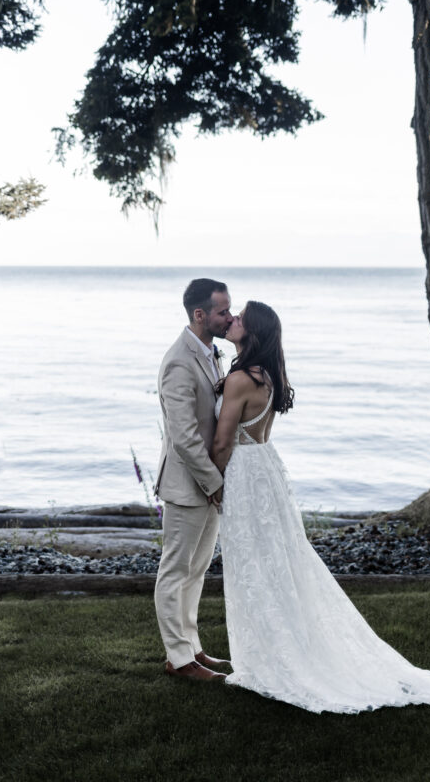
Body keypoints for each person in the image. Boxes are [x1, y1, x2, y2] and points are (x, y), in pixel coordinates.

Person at [211, 300, 430, 714]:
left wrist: (214, 483)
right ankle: (276, 649)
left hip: (243, 472)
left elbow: (223, 441)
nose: (233, 319)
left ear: (252, 332)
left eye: (240, 317)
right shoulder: (268, 374)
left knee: (254, 563)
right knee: (276, 561)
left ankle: (273, 659)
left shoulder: (241, 377)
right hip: (266, 468)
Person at [154, 278, 234, 682]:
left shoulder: (211, 353)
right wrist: (215, 483)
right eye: (222, 310)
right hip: (189, 486)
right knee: (175, 570)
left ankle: (192, 648)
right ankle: (178, 659)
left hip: (210, 483)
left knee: (197, 570)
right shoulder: (178, 361)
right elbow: (183, 437)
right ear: (199, 314)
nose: (229, 316)